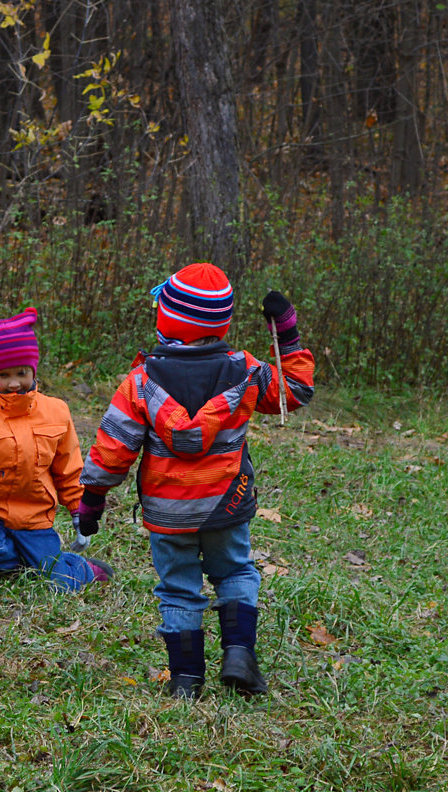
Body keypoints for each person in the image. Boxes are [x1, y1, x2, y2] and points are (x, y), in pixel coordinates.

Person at [76, 263, 314, 698]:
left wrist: (91, 502)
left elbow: (113, 451)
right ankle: (239, 654)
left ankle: (186, 680)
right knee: (236, 571)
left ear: (166, 319)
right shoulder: (244, 369)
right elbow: (294, 391)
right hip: (226, 502)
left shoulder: (142, 381)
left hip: (168, 514)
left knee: (178, 588)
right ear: (218, 323)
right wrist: (287, 331)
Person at [0, 307, 113, 591]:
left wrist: (79, 511)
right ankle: (25, 562)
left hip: (35, 520)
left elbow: (69, 467)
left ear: (33, 369)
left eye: (21, 373)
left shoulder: (56, 412)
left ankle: (78, 569)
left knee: (62, 584)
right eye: (3, 374)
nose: (13, 383)